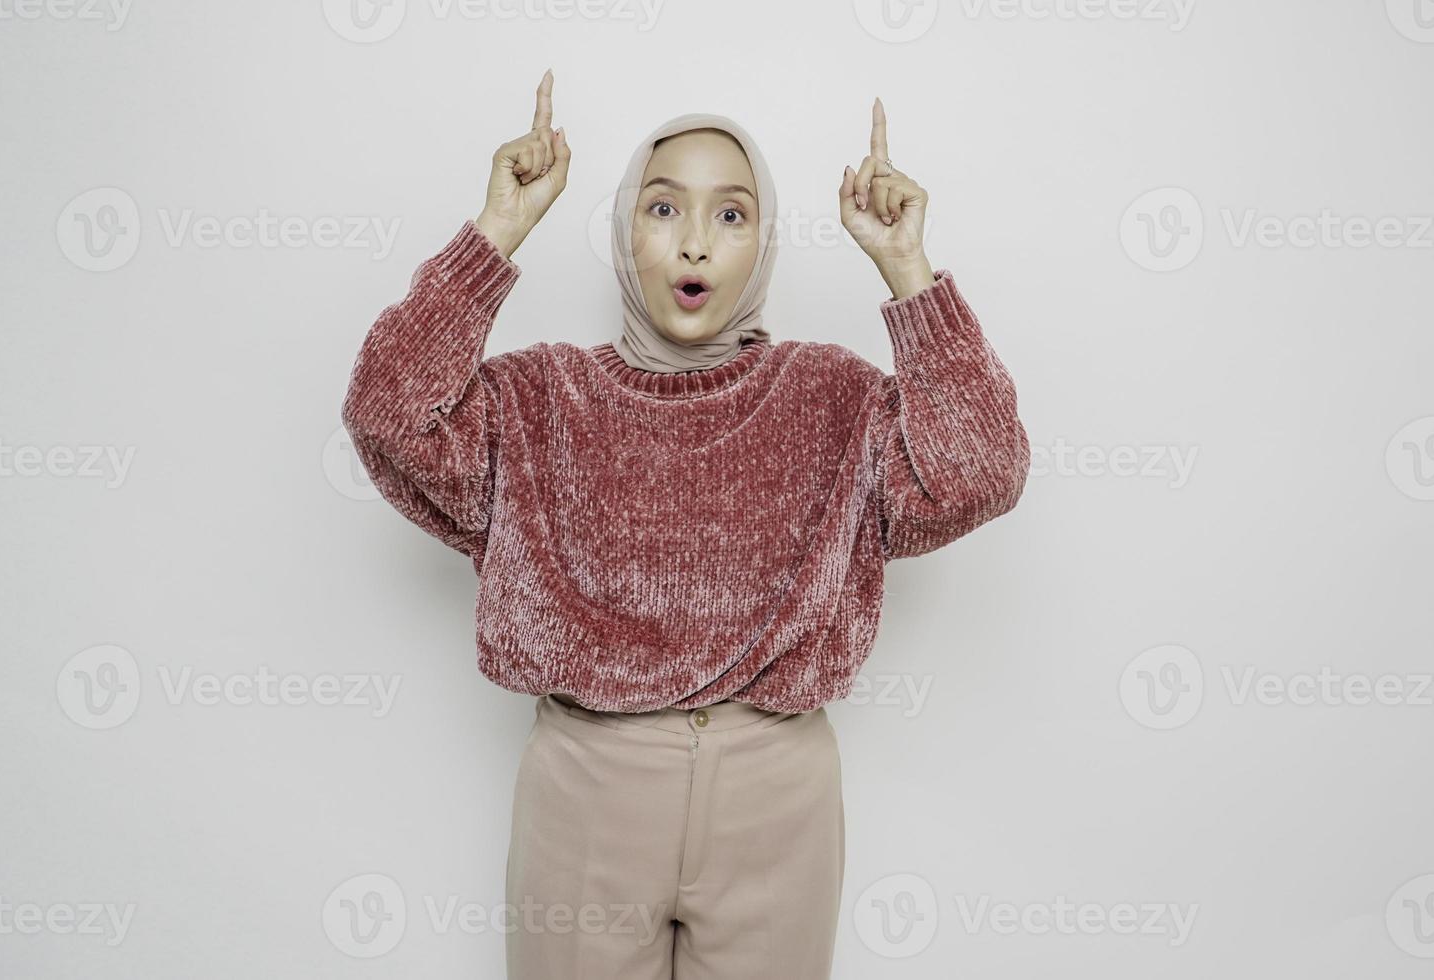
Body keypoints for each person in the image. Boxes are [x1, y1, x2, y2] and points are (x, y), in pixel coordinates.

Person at [339, 68, 1030, 980]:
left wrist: (908, 269)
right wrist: (497, 229)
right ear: (626, 230)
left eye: (732, 215)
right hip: (588, 785)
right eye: (664, 210)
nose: (696, 242)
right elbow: (387, 411)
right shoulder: (540, 398)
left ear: (764, 241)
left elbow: (982, 470)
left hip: (777, 790)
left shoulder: (831, 397)